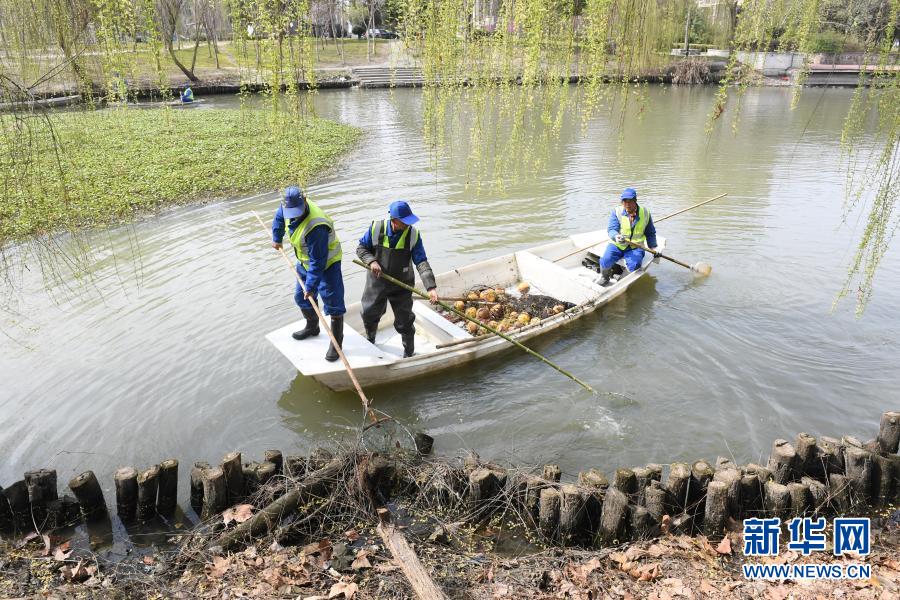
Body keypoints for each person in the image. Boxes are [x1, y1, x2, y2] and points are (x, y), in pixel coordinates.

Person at [272, 186, 346, 362]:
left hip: (327, 265)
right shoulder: (286, 207)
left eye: (296, 212)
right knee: (301, 297)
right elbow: (279, 218)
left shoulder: (316, 226)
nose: (293, 216)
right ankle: (313, 327)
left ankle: (337, 343)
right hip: (304, 263)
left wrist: (311, 286)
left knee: (333, 304)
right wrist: (277, 238)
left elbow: (318, 261)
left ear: (304, 201)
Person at [356, 201, 438, 358]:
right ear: (394, 220)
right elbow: (361, 248)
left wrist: (431, 287)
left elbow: (421, 262)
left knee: (405, 321)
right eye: (405, 222)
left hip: (402, 285)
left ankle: (409, 353)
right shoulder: (376, 229)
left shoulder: (413, 235)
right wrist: (372, 262)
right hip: (377, 282)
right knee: (369, 314)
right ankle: (371, 339)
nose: (408, 225)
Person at [598, 187, 659, 285]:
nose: (627, 204)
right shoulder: (617, 211)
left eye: (630, 201)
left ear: (635, 201)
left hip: (635, 247)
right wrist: (616, 236)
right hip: (617, 244)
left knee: (635, 264)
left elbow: (650, 232)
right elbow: (611, 229)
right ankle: (605, 277)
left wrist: (654, 248)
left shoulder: (645, 213)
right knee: (605, 259)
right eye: (624, 201)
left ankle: (621, 281)